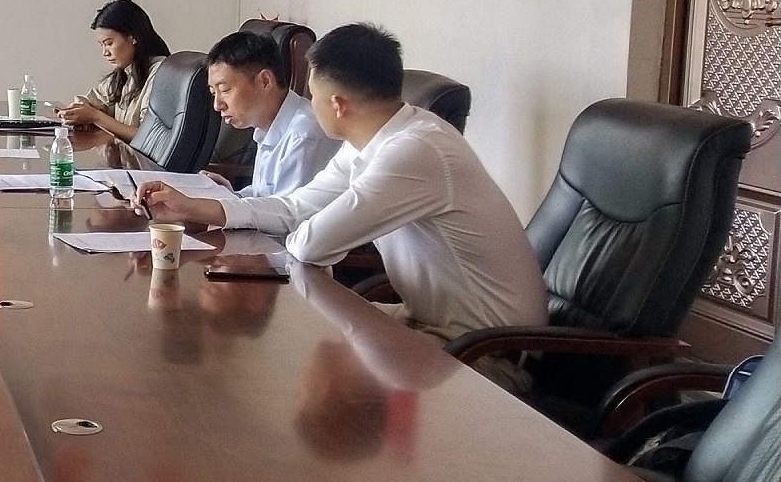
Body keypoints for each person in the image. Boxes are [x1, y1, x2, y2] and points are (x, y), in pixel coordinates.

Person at [134, 23, 546, 388]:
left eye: (312, 95)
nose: (306, 103)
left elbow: (310, 244)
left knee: (297, 362)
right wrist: (197, 209)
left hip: (485, 355)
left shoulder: (414, 151)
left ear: (338, 104)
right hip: (432, 326)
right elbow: (296, 206)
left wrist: (298, 232)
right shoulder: (374, 141)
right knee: (295, 350)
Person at [201, 31, 341, 197]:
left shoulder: (303, 136)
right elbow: (266, 196)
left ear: (265, 81)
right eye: (213, 93)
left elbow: (287, 210)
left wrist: (228, 204)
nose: (217, 105)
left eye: (225, 90)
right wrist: (232, 196)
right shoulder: (266, 126)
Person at [57, 0, 171, 142]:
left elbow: (148, 137)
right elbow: (95, 100)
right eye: (102, 45)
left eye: (109, 43)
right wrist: (74, 111)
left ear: (133, 37)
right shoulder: (124, 73)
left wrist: (95, 116)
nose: (105, 53)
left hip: (140, 157)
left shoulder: (161, 72)